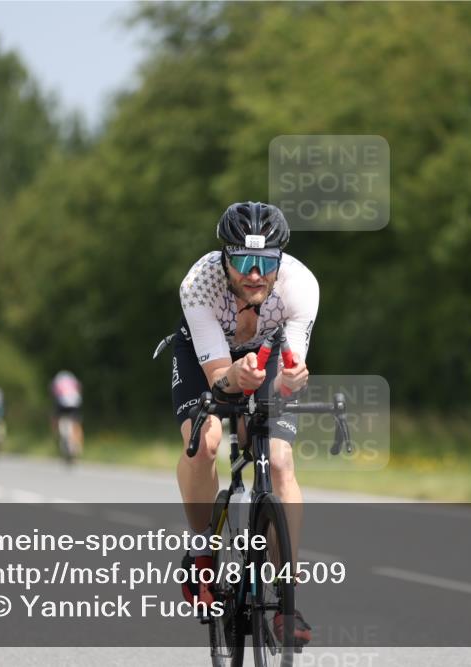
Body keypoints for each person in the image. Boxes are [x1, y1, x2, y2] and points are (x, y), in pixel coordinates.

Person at [172, 201, 318, 645]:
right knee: (208, 441)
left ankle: (286, 596)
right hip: (208, 358)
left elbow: (292, 363)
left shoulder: (301, 285)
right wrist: (233, 378)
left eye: (265, 263)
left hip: (268, 352)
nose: (254, 274)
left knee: (277, 459)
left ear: (280, 261)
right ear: (224, 258)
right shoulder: (199, 285)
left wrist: (291, 379)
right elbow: (219, 376)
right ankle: (201, 552)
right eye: (243, 262)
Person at [50, 370, 83, 454]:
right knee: (76, 422)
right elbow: (79, 388)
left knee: (54, 418)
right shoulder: (73, 380)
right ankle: (78, 443)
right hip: (75, 402)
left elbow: (53, 393)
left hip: (61, 403)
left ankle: (55, 435)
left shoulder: (57, 380)